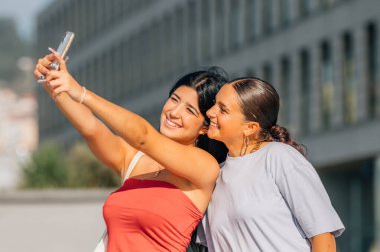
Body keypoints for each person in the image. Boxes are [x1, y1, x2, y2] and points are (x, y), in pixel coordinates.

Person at [34, 48, 228, 252]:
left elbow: (143, 137)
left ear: (205, 126)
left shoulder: (204, 167)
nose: (174, 112)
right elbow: (91, 129)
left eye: (190, 110)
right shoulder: (136, 161)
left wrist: (81, 93)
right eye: (174, 99)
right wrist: (54, 84)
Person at [199, 77, 345, 252]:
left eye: (223, 109)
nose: (210, 112)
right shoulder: (214, 175)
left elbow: (323, 238)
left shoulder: (280, 158)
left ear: (250, 128)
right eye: (215, 103)